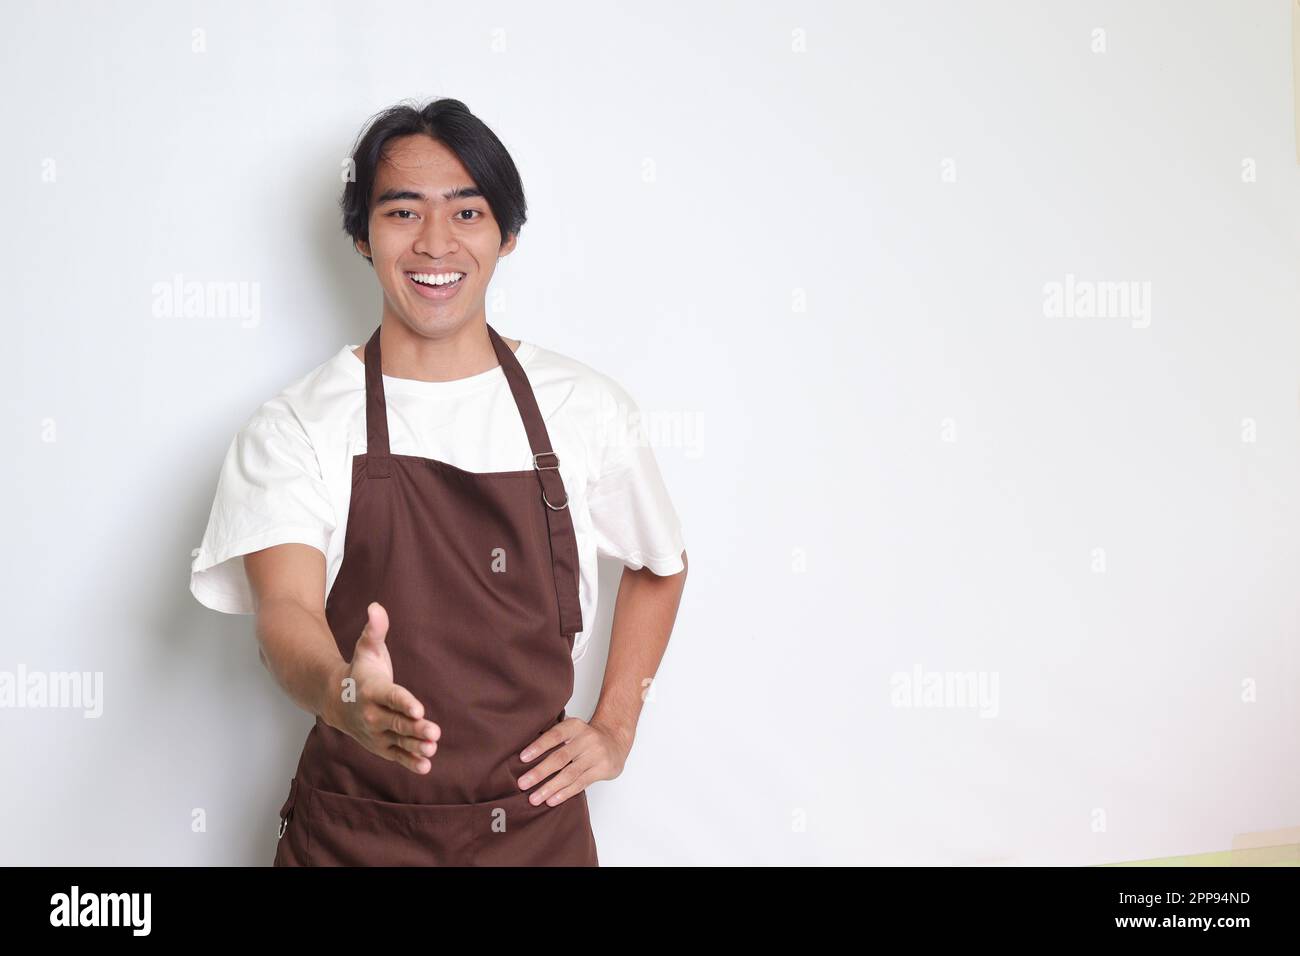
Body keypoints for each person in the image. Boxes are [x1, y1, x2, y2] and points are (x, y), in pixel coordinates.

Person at [188, 97, 688, 866]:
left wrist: (615, 725)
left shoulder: (583, 410)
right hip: (353, 837)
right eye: (400, 212)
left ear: (507, 234)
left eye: (467, 211)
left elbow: (660, 565)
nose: (434, 243)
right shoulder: (298, 424)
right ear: (361, 235)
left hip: (535, 838)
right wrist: (344, 695)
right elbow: (284, 611)